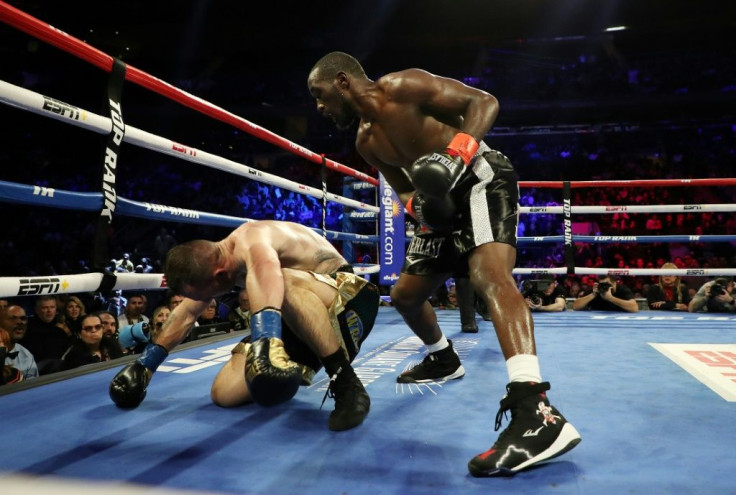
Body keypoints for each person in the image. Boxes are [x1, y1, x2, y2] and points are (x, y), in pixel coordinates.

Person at [307, 52, 580, 475]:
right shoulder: (365, 142)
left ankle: (536, 413)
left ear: (342, 81)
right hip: (441, 204)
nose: (320, 108)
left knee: (489, 276)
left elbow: (484, 102)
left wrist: (455, 154)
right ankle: (443, 358)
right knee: (405, 295)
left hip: (479, 175)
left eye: (320, 94)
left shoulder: (403, 86)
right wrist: (425, 209)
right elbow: (402, 189)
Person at [109, 220, 380, 432]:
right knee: (224, 393)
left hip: (349, 302)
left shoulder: (254, 242)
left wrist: (265, 341)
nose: (204, 301)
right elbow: (187, 313)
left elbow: (268, 274)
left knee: (280, 279)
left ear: (220, 275)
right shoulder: (218, 263)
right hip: (301, 319)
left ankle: (348, 385)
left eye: (205, 294)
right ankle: (289, 366)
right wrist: (145, 365)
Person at [20, 295, 73, 374]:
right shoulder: (26, 329)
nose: (49, 311)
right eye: (45, 308)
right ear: (37, 310)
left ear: (56, 309)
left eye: (52, 307)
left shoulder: (61, 329)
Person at [0, 305, 38, 380]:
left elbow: (32, 388)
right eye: (13, 318)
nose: (20, 322)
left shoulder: (26, 355)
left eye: (23, 318)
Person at [572, 275, 638, 312]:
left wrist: (611, 298)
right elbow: (575, 306)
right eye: (602, 284)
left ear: (614, 283)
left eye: (607, 284)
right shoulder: (596, 290)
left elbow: (634, 308)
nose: (604, 286)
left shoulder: (622, 290)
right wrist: (593, 295)